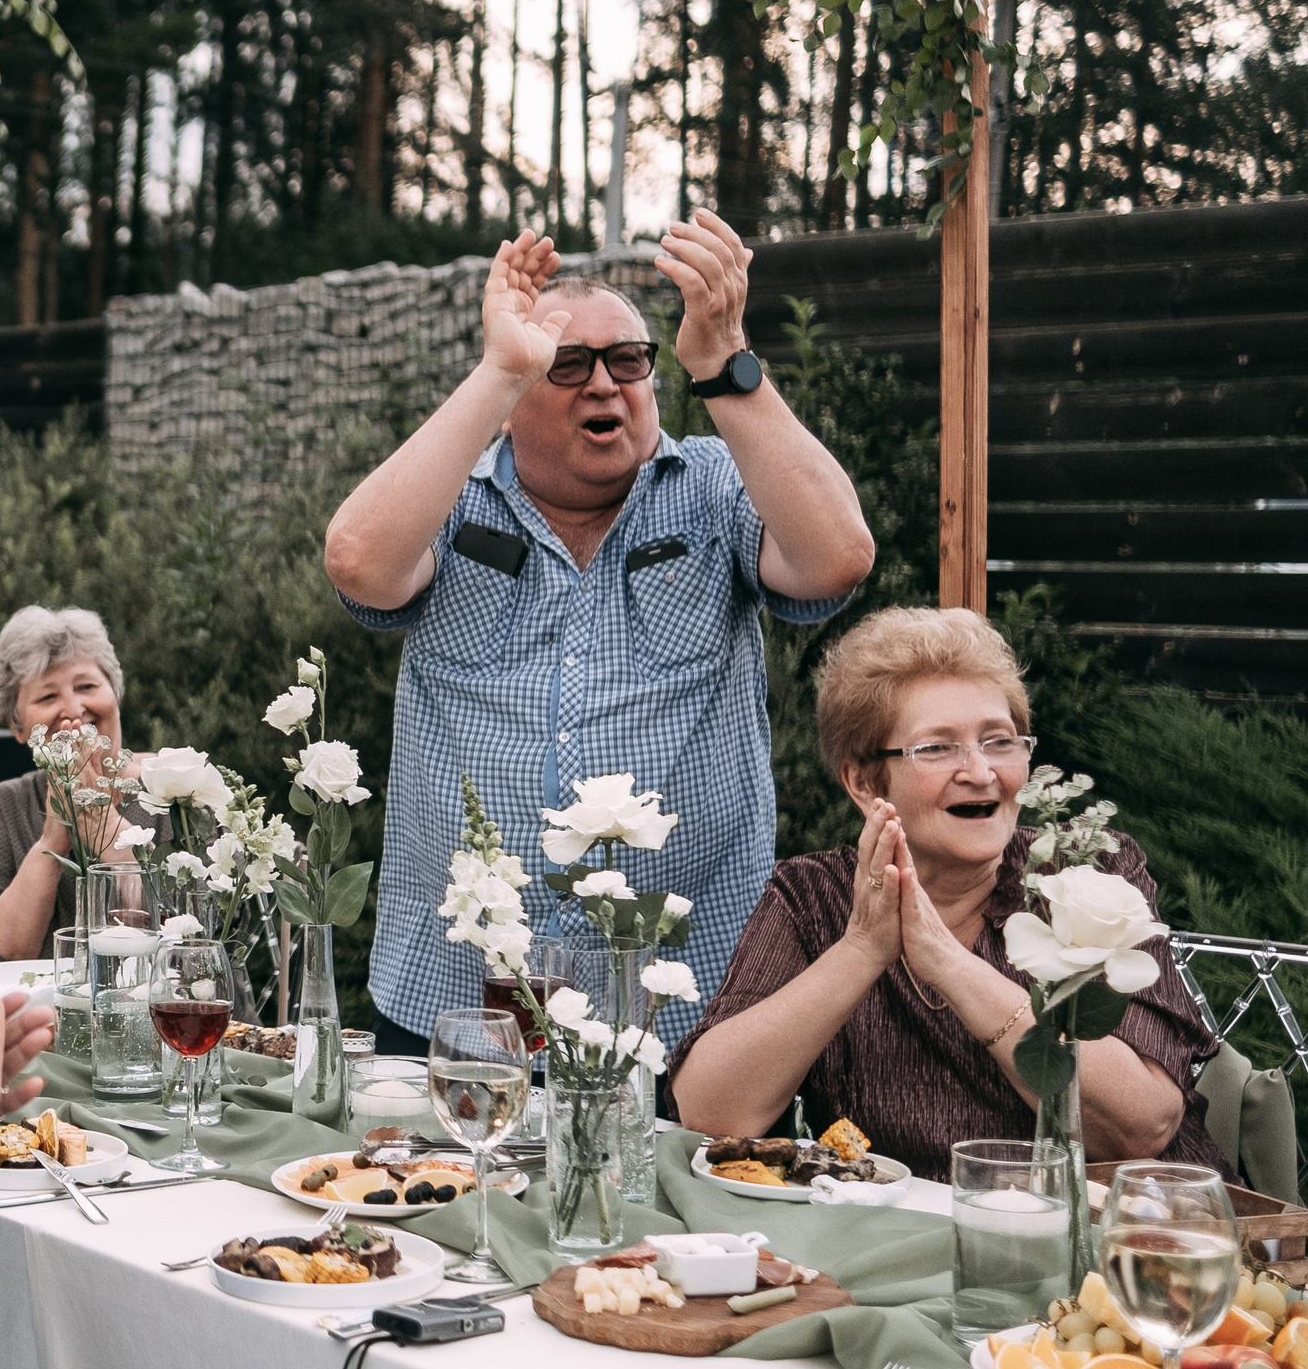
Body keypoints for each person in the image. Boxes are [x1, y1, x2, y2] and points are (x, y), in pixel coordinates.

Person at [323, 214, 876, 1054]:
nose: (603, 383)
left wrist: (725, 362)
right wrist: (501, 369)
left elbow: (838, 558)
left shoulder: (712, 483)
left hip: (684, 1004)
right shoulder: (453, 499)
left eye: (627, 361)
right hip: (462, 999)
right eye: (566, 364)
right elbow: (359, 562)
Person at [668, 606, 1225, 1182]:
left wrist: (948, 963)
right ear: (863, 781)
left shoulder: (1083, 870)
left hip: (1126, 1238)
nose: (981, 771)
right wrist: (861, 948)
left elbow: (1142, 1127)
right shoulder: (813, 897)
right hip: (910, 1244)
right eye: (937, 748)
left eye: (1000, 741)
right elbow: (709, 1114)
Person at [0, 606, 157, 962]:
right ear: (18, 726)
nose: (73, 709)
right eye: (48, 697)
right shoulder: (3, 807)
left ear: (115, 693)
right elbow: (3, 954)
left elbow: (187, 933)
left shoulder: (176, 792)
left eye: (86, 686)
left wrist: (102, 824)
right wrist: (54, 837)